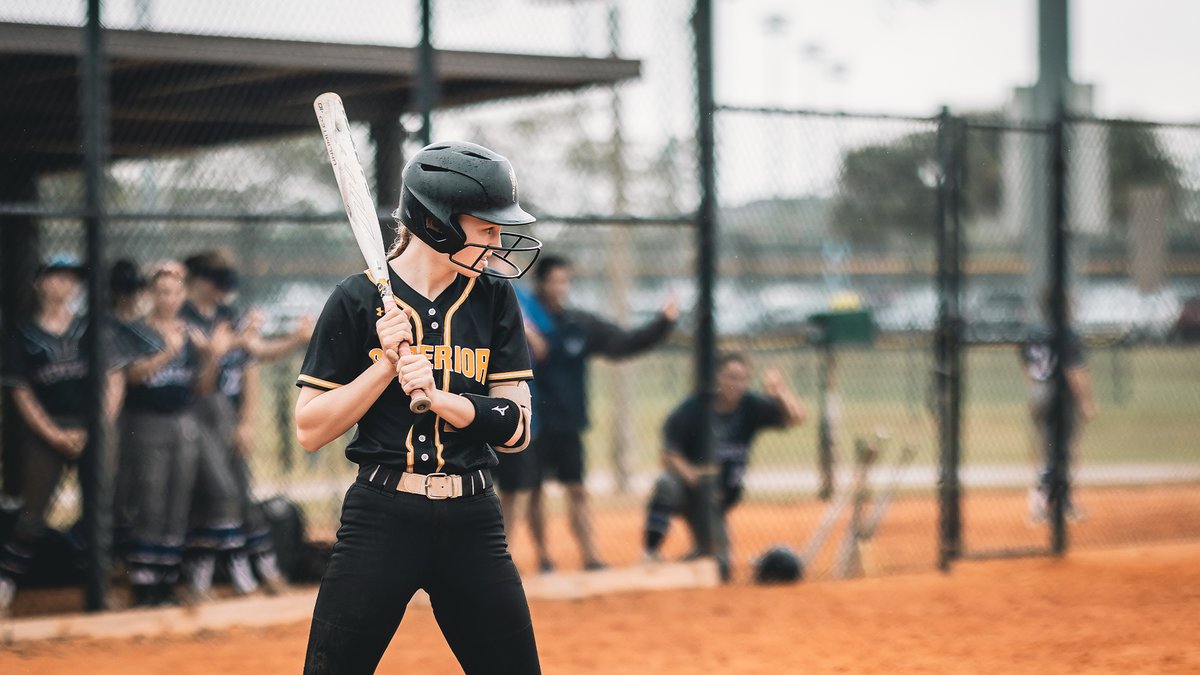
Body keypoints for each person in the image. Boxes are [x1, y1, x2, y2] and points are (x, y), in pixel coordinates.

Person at [296, 140, 543, 674]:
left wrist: (441, 400)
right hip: (382, 515)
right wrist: (384, 365)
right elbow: (310, 429)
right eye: (487, 231)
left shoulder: (494, 298)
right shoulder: (357, 300)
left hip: (473, 518)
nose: (500, 245)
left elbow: (517, 427)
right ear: (438, 226)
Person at [495, 255, 677, 573]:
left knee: (577, 489)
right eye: (555, 280)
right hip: (533, 421)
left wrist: (663, 323)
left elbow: (623, 343)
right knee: (533, 491)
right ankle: (544, 558)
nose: (561, 287)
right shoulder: (520, 318)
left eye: (566, 281)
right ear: (541, 283)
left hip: (568, 424)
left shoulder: (578, 323)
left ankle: (591, 556)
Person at [181, 249, 311, 598]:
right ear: (199, 281)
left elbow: (253, 357)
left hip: (227, 414)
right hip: (194, 415)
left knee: (239, 495)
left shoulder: (228, 316)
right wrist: (219, 349)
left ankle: (263, 573)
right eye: (215, 279)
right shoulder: (185, 319)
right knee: (217, 496)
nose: (222, 289)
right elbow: (198, 380)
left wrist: (246, 422)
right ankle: (224, 579)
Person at [0, 257, 125, 617]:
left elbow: (114, 377)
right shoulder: (23, 334)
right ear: (40, 283)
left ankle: (99, 593)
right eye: (57, 277)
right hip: (47, 428)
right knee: (32, 515)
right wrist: (54, 434)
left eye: (71, 279)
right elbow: (20, 392)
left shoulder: (91, 327)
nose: (65, 285)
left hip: (93, 426)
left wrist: (98, 425)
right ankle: (6, 588)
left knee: (98, 511)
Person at [120, 260, 228, 607]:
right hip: (148, 421)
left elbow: (202, 387)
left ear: (182, 294)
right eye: (161, 291)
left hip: (184, 421)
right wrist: (167, 352)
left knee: (176, 504)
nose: (167, 297)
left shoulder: (191, 332)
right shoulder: (137, 331)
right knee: (150, 501)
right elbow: (133, 377)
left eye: (174, 291)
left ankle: (165, 579)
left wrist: (210, 357)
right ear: (152, 293)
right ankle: (143, 582)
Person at [642, 352, 805, 574]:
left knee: (721, 568)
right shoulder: (694, 409)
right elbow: (668, 454)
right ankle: (650, 553)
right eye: (730, 377)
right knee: (666, 483)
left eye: (742, 379)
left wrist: (779, 393)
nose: (736, 384)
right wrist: (695, 478)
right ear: (717, 378)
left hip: (720, 499)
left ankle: (699, 553)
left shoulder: (749, 406)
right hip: (691, 490)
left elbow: (796, 418)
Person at [1020, 290, 1096, 524]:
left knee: (1044, 450)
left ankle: (1043, 502)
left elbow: (1027, 367)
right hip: (1061, 397)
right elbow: (1074, 371)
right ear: (1063, 307)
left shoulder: (1033, 333)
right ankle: (1057, 502)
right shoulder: (1067, 334)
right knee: (1065, 451)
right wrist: (1085, 401)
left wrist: (1037, 390)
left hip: (1039, 393)